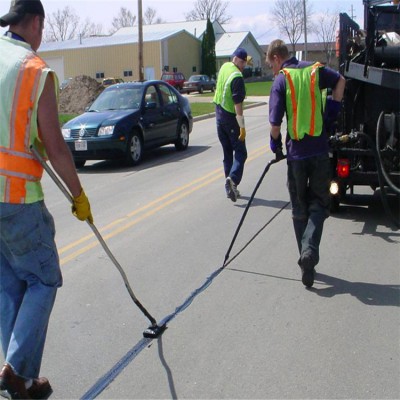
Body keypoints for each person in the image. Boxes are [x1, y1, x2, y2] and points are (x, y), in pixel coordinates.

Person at [0, 1, 94, 398]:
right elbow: (54, 145)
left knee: (10, 285)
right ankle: (14, 369)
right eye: (42, 28)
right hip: (17, 197)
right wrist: (78, 194)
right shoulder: (34, 70)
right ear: (35, 22)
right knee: (43, 279)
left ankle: (18, 379)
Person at [267, 39, 345, 288]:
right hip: (320, 151)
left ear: (277, 58)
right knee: (319, 206)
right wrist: (332, 112)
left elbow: (275, 125)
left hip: (297, 155)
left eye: (271, 65)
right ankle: (308, 254)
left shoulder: (282, 79)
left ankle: (306, 254)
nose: (272, 70)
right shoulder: (316, 70)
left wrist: (275, 146)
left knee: (299, 208)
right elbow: (340, 81)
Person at [213, 47, 252, 202]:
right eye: (243, 63)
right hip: (230, 118)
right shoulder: (237, 77)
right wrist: (241, 125)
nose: (244, 66)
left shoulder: (224, 67)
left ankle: (230, 187)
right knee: (241, 152)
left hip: (218, 117)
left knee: (228, 154)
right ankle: (233, 180)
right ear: (238, 60)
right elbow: (238, 104)